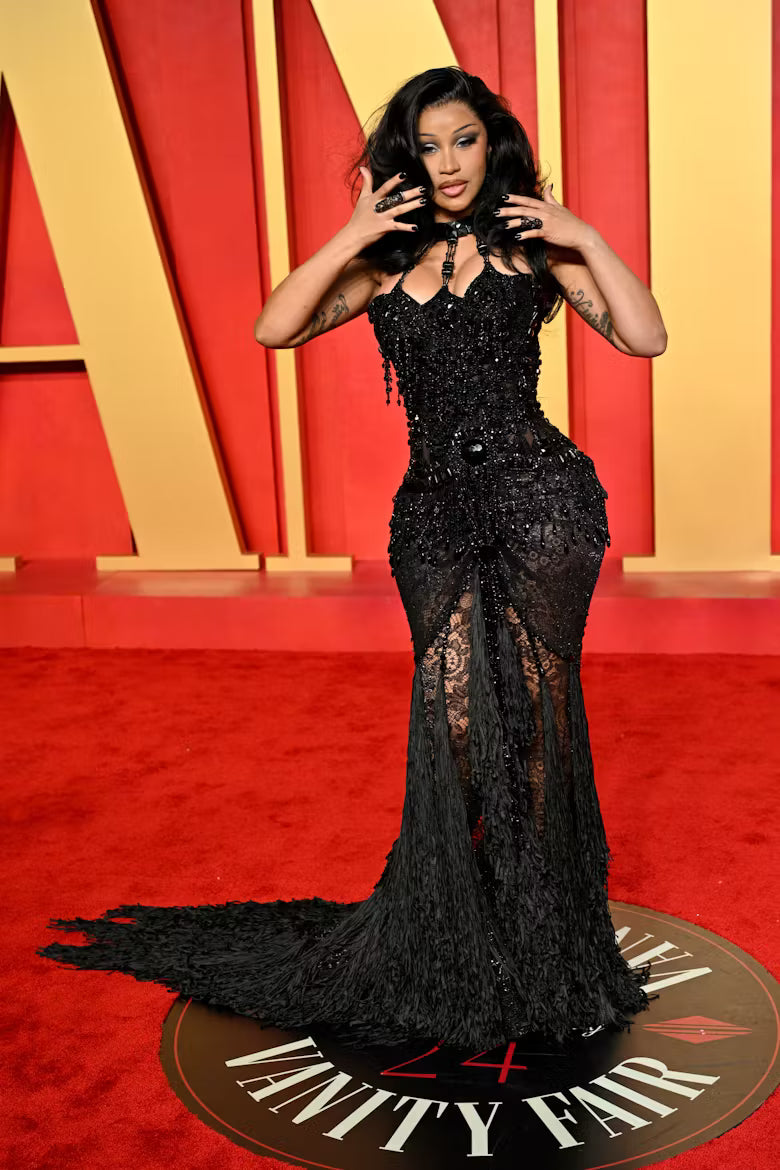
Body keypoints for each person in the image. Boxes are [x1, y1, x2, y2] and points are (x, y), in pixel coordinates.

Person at [39, 67, 666, 1049]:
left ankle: (546, 948)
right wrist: (349, 235)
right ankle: (454, 937)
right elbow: (273, 325)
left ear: (491, 144)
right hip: (432, 518)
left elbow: (646, 336)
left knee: (540, 727)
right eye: (430, 146)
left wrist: (583, 234)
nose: (449, 163)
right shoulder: (382, 265)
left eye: (465, 140)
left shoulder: (533, 246)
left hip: (542, 504)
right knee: (456, 727)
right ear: (405, 160)